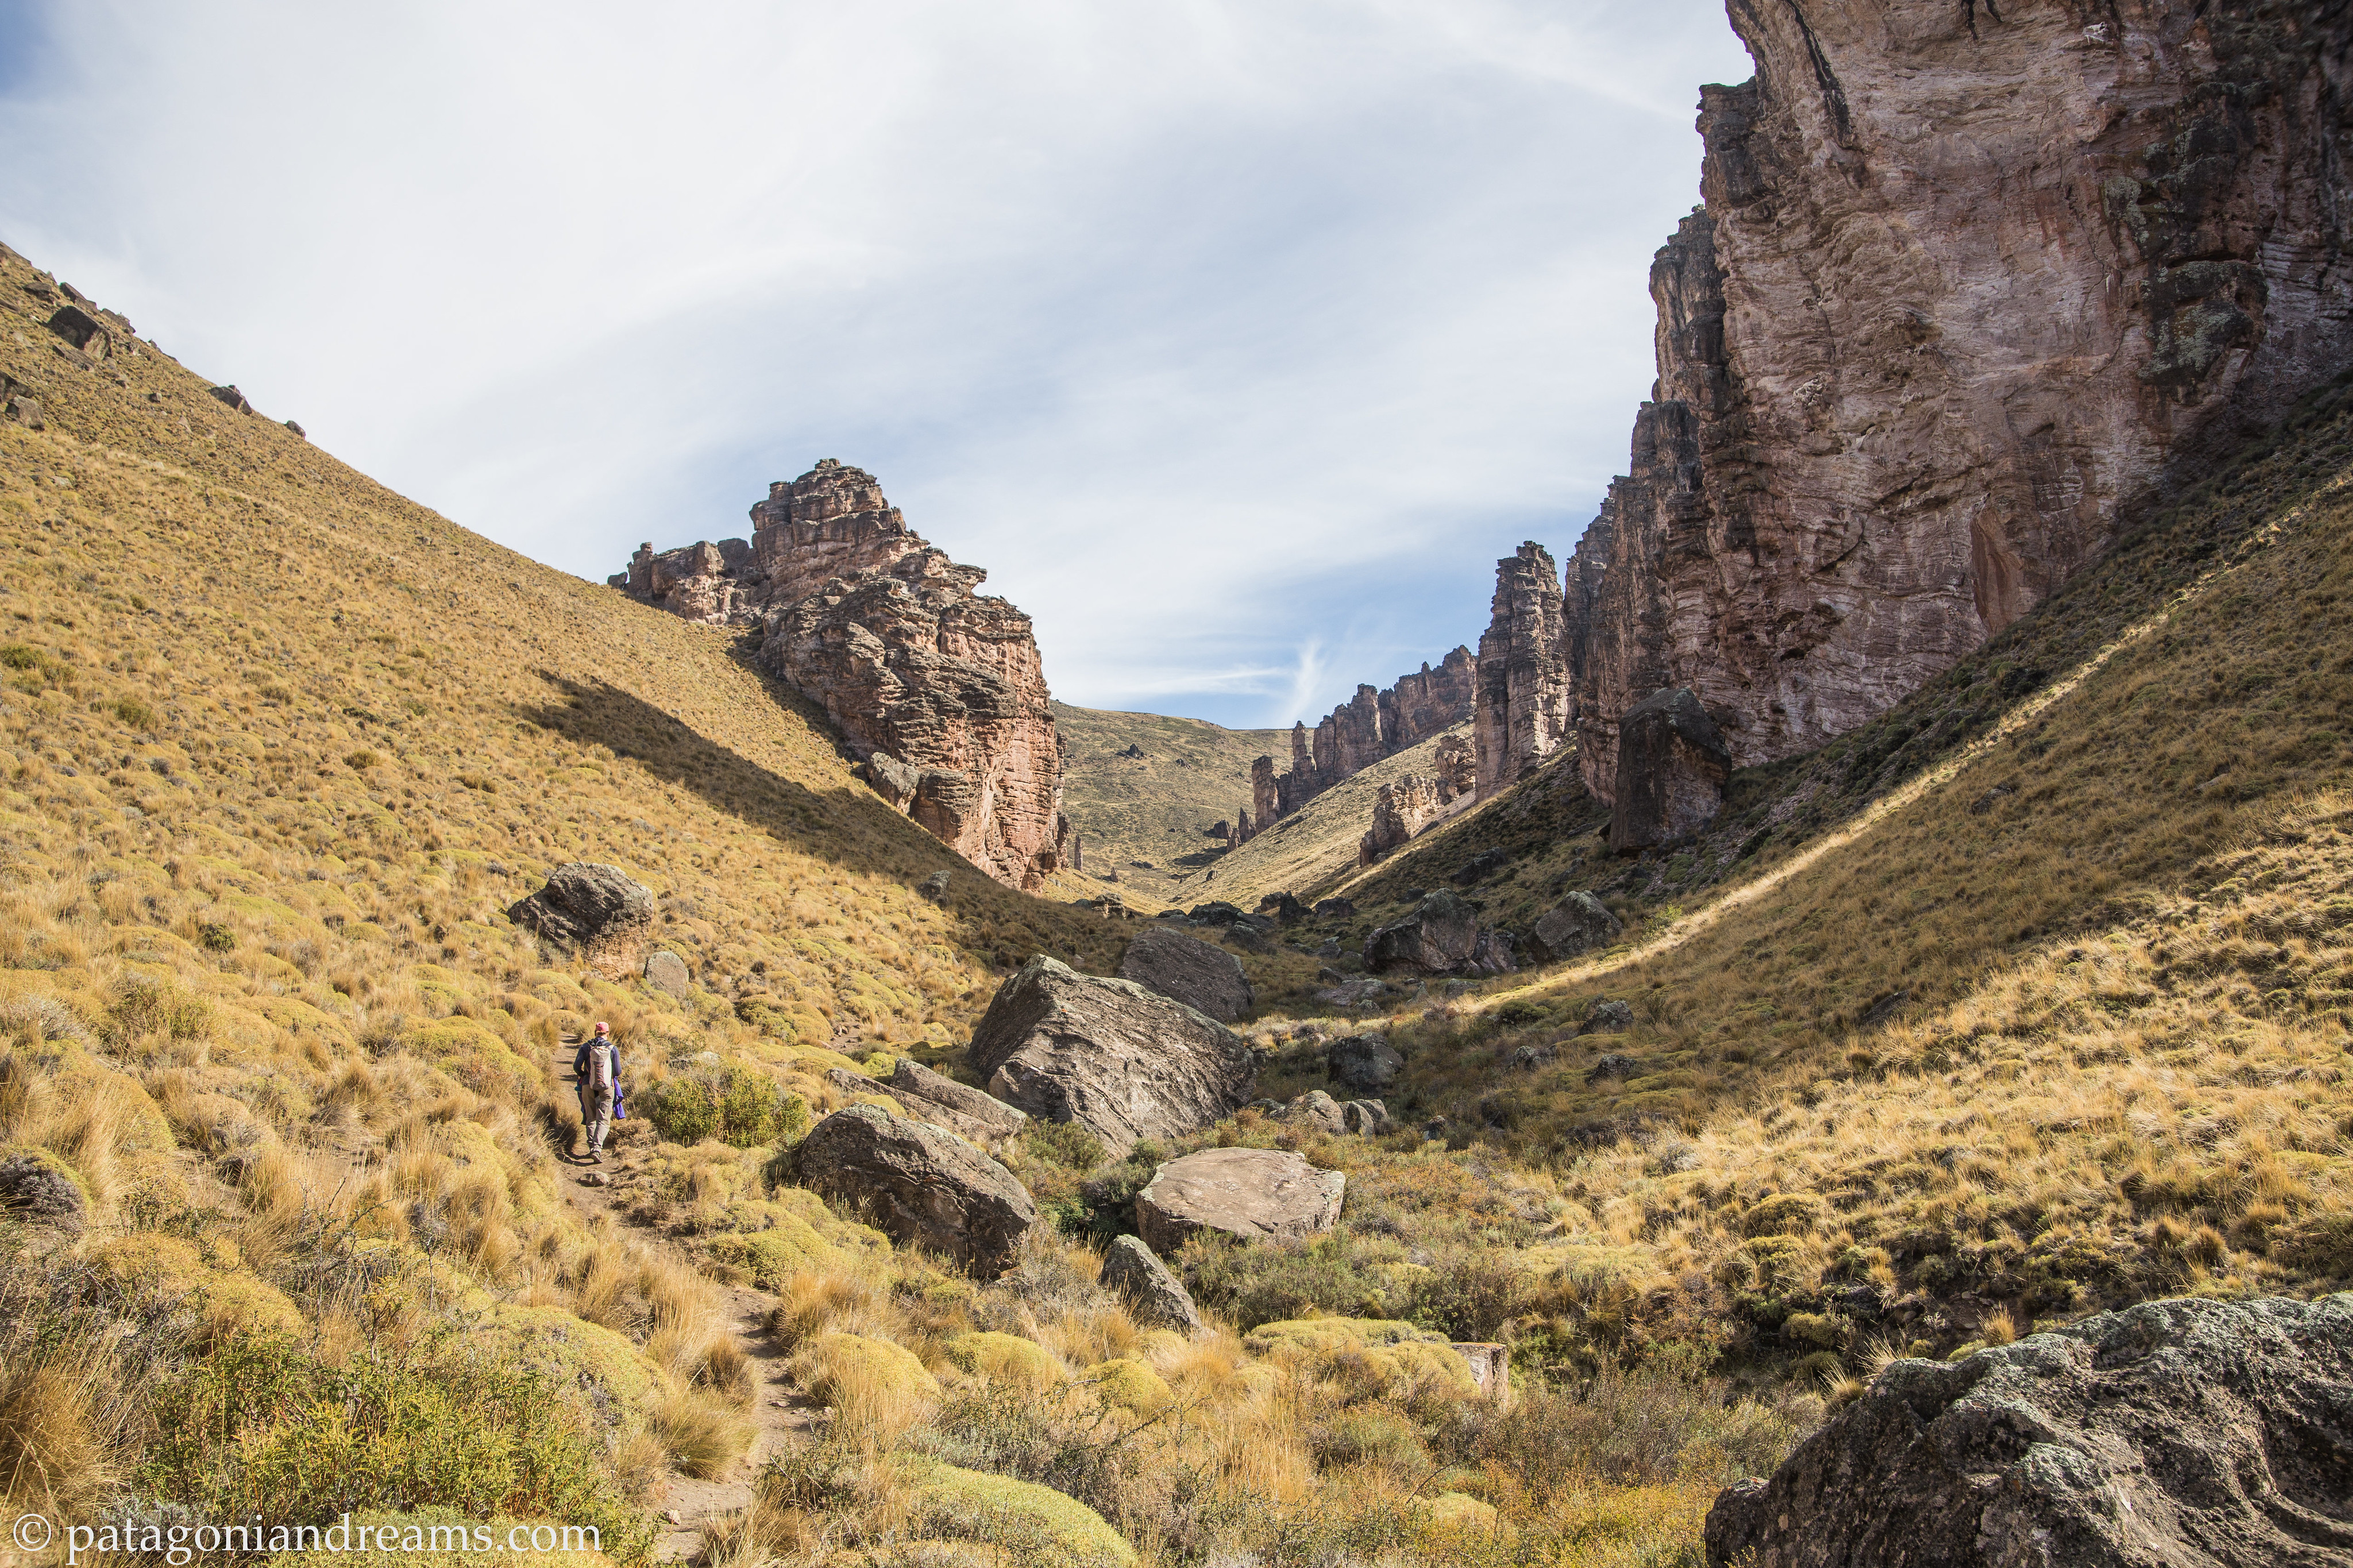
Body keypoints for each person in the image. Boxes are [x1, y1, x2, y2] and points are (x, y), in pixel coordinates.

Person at [573, 1021, 622, 1162]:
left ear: (595, 1032)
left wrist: (584, 1076)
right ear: (608, 1033)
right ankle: (597, 1148)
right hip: (607, 1088)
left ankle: (591, 1147)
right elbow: (617, 1071)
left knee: (591, 1117)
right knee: (604, 1120)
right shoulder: (613, 1049)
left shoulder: (585, 1047)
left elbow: (577, 1066)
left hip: (588, 1086)